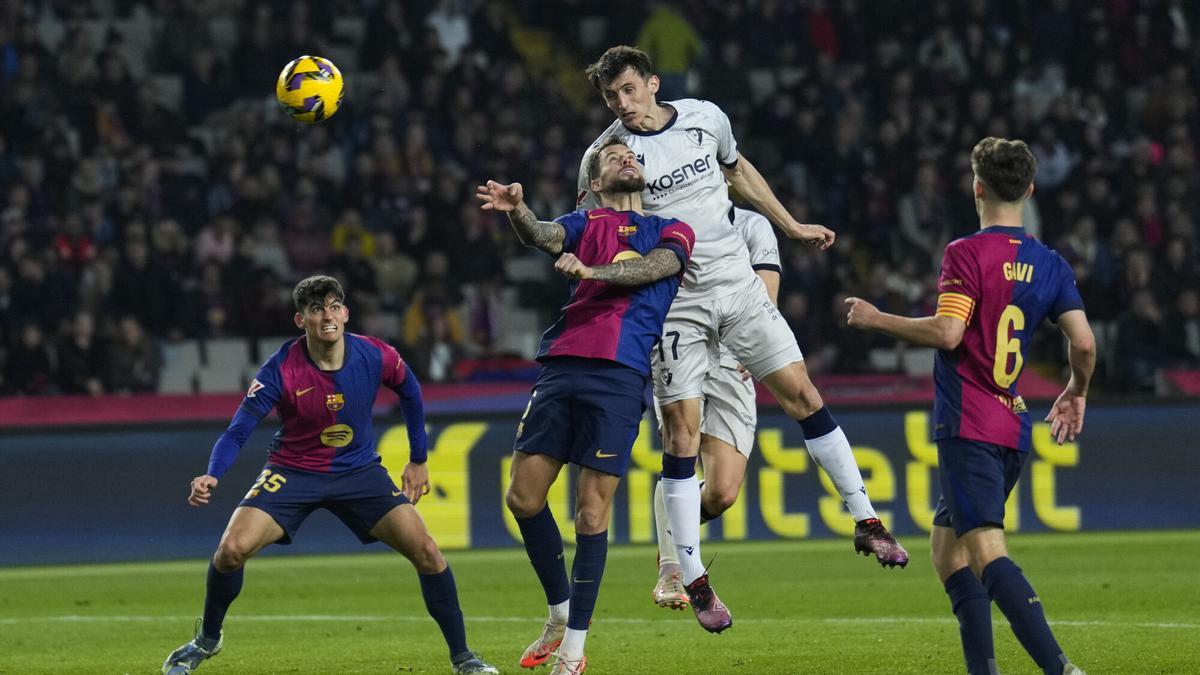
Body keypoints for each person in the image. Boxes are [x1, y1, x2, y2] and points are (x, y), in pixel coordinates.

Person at [578, 46, 909, 625]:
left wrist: (791, 224)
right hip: (675, 306)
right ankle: (691, 577)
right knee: (681, 436)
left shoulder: (707, 118)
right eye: (611, 97)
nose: (622, 106)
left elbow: (738, 172)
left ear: (654, 83)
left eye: (629, 90)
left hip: (737, 290)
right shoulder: (607, 156)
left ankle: (866, 521)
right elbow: (594, 230)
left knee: (803, 394)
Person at [161, 275, 496, 675]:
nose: (327, 316)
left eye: (334, 306)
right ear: (300, 320)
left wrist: (418, 458)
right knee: (231, 550)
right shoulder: (280, 370)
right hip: (293, 471)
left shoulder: (376, 354)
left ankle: (464, 658)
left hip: (358, 472)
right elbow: (239, 429)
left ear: (346, 313)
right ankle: (207, 641)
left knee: (427, 551)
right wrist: (213, 473)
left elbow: (410, 391)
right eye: (316, 309)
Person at [845, 137, 1093, 675]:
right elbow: (1085, 342)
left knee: (985, 551)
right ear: (1029, 190)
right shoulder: (1049, 263)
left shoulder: (966, 253)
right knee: (947, 552)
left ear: (976, 187)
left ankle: (1060, 668)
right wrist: (1076, 390)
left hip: (969, 422)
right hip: (1012, 424)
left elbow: (949, 332)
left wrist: (876, 318)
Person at [476, 136, 696, 675]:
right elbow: (544, 236)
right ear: (594, 183)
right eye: (612, 156)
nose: (626, 157)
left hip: (619, 375)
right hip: (562, 365)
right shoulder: (584, 222)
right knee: (523, 498)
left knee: (590, 513)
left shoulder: (671, 228)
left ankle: (573, 652)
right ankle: (559, 612)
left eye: (631, 155)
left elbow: (655, 268)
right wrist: (518, 211)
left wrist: (593, 273)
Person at [651, 206, 781, 608]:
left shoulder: (752, 225)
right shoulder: (664, 222)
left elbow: (766, 290)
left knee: (723, 492)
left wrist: (758, 336)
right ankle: (671, 567)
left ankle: (675, 521)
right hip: (681, 344)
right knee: (681, 448)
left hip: (733, 359)